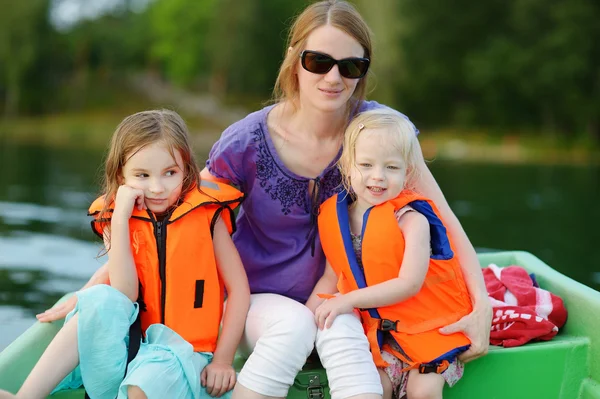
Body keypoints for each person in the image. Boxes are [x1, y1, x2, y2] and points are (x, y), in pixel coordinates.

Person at [36, 1, 492, 398]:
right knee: (292, 328)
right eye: (319, 61)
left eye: (351, 66)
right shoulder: (246, 142)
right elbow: (174, 221)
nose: (334, 77)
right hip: (256, 299)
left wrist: (481, 308)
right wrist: (91, 286)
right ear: (295, 61)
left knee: (347, 342)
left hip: (347, 298)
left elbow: (443, 221)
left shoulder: (380, 133)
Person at [0, 110, 250, 399]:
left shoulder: (208, 217)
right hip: (126, 354)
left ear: (186, 169)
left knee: (146, 378)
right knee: (100, 299)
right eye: (142, 175)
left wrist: (222, 360)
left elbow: (239, 290)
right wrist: (120, 218)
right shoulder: (114, 217)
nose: (157, 188)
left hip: (180, 358)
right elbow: (124, 292)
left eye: (170, 173)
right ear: (121, 175)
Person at [313, 109, 473, 399]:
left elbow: (408, 283)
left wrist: (348, 300)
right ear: (348, 166)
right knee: (376, 387)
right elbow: (330, 277)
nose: (378, 176)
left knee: (422, 390)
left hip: (428, 328)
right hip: (382, 333)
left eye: (391, 167)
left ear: (407, 172)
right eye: (366, 164)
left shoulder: (412, 220)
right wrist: (310, 320)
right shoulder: (334, 218)